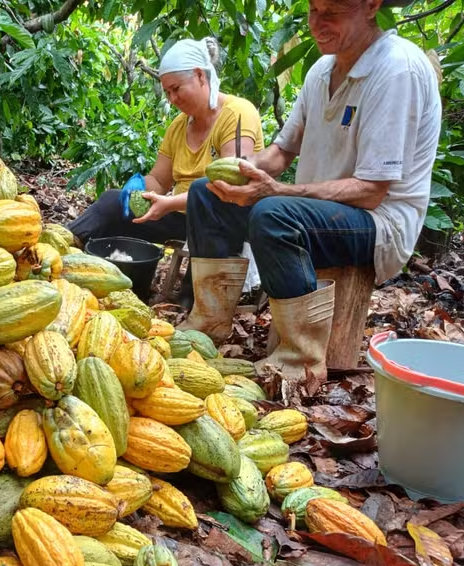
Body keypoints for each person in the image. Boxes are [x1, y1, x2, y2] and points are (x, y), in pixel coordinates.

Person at [180, 0, 440, 386]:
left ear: (370, 6)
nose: (318, 23)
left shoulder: (396, 68)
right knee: (205, 193)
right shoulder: (321, 71)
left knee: (273, 214)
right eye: (314, 10)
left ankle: (299, 361)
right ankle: (208, 324)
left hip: (379, 223)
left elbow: (371, 191)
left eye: (332, 12)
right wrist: (246, 171)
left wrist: (277, 191)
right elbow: (283, 151)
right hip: (315, 211)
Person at [68, 37, 265, 299]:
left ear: (199, 76)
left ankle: (192, 308)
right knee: (111, 202)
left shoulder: (237, 113)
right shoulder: (179, 126)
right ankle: (62, 247)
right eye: (167, 92)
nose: (172, 98)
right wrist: (139, 186)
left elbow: (229, 187)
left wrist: (168, 204)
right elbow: (159, 181)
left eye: (176, 89)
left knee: (205, 204)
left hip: (226, 218)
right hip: (182, 215)